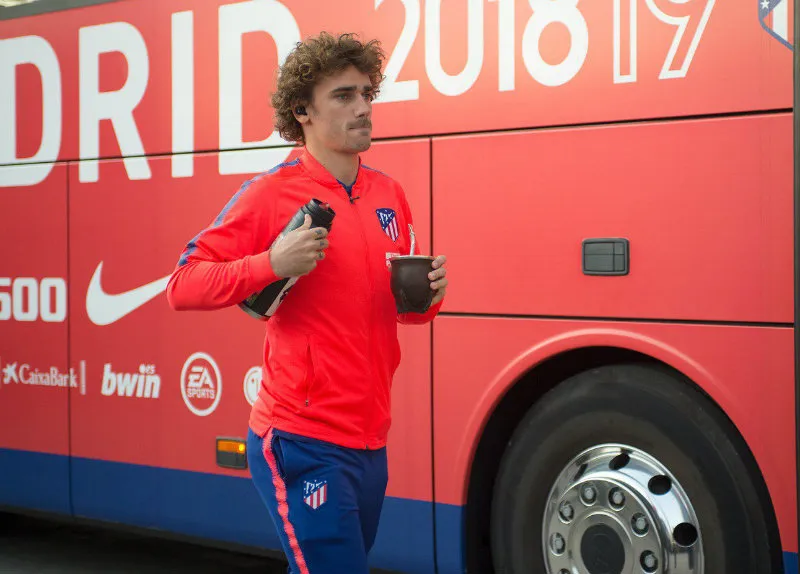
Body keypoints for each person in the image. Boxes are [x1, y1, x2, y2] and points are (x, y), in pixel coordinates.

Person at [166, 32, 448, 573]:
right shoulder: (271, 193)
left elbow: (403, 313)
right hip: (301, 438)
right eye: (344, 96)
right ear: (303, 112)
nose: (364, 107)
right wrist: (271, 264)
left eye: (368, 93)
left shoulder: (391, 194)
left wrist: (430, 296)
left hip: (370, 441)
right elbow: (183, 284)